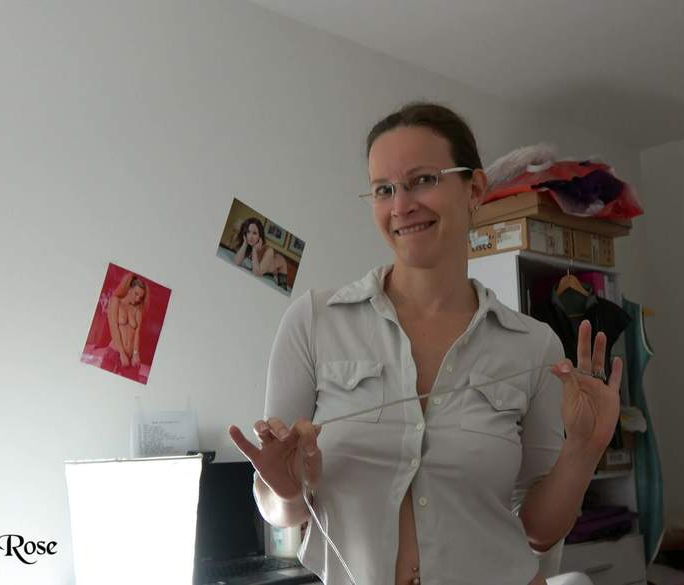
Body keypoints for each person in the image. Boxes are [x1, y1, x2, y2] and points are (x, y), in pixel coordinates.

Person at [228, 102, 623, 585]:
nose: (401, 206)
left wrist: (584, 447)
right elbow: (281, 512)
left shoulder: (533, 345)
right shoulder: (313, 322)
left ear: (474, 189)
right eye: (383, 189)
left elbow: (539, 533)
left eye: (422, 180)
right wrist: (284, 490)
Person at [101, 272, 148, 376]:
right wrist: (122, 353)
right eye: (136, 294)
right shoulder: (116, 301)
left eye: (140, 297)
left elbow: (137, 333)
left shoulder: (137, 310)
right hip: (114, 353)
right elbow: (114, 328)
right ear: (129, 288)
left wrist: (136, 353)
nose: (137, 299)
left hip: (131, 358)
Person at [233, 217, 288, 285]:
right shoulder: (249, 245)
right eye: (248, 232)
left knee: (282, 286)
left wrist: (254, 250)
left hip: (281, 264)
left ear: (260, 236)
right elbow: (236, 263)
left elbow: (257, 274)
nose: (250, 236)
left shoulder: (269, 251)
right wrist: (245, 243)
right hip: (266, 270)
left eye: (254, 233)